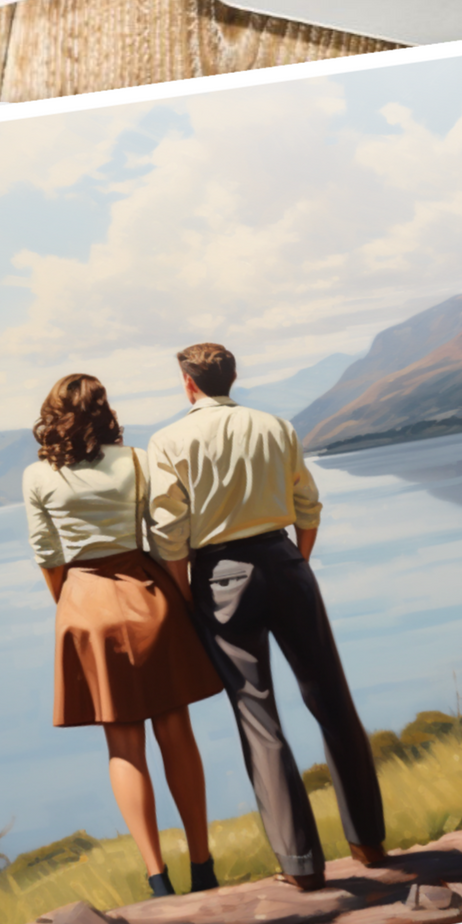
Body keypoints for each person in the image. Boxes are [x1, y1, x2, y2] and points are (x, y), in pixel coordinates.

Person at [147, 342, 385, 893]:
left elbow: (168, 533)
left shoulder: (167, 441)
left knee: (258, 715)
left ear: (188, 384)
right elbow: (308, 503)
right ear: (233, 377)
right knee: (332, 698)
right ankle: (368, 842)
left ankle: (301, 865)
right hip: (284, 560)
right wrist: (296, 561)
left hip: (219, 576)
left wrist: (185, 597)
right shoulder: (275, 427)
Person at [24, 372, 221, 898]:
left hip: (84, 606)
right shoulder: (134, 460)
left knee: (123, 743)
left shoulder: (36, 476)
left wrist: (72, 606)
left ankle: (158, 879)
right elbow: (163, 534)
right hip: (146, 595)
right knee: (175, 730)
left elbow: (48, 557)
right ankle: (203, 866)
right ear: (104, 410)